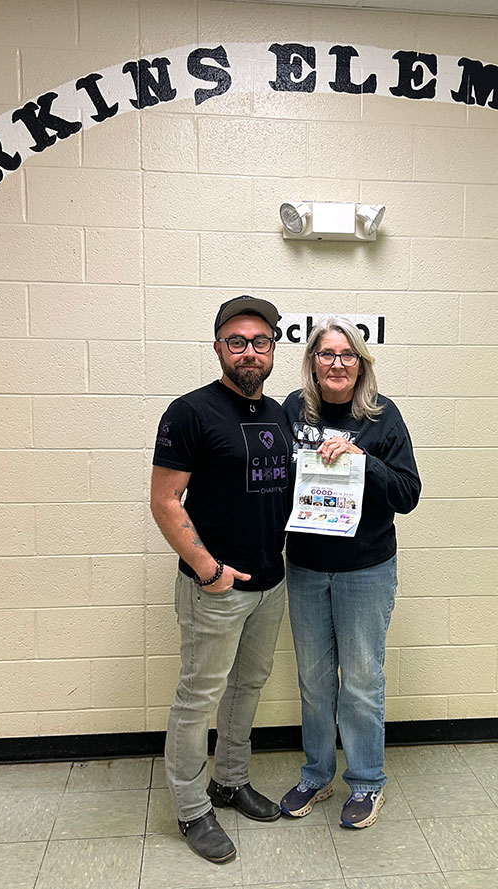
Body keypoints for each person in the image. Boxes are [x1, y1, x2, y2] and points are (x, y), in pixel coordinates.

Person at [150, 295, 292, 864]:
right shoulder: (190, 413)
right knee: (198, 695)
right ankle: (191, 808)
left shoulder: (279, 412)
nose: (249, 352)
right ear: (219, 348)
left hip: (271, 582)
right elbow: (164, 501)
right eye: (237, 342)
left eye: (260, 342)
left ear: (273, 350)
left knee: (248, 685)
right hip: (216, 586)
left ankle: (230, 781)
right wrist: (209, 571)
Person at [279, 315, 421, 829]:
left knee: (361, 680)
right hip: (308, 568)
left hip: (366, 570)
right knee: (315, 681)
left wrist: (364, 459)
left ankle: (366, 782)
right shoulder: (294, 412)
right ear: (312, 362)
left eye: (346, 355)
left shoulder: (383, 417)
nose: (336, 364)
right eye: (326, 354)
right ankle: (317, 774)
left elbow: (409, 494)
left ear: (361, 364)